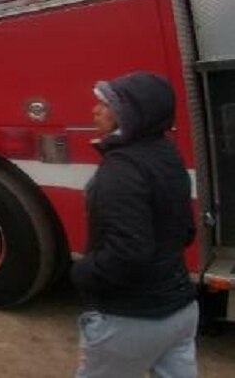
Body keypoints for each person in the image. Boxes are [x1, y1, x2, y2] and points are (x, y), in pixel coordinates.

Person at [72, 72, 198, 378]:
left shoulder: (121, 169)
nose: (95, 110)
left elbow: (128, 252)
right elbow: (187, 231)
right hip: (182, 311)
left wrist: (82, 272)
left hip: (131, 319)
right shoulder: (167, 154)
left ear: (132, 113)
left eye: (106, 104)